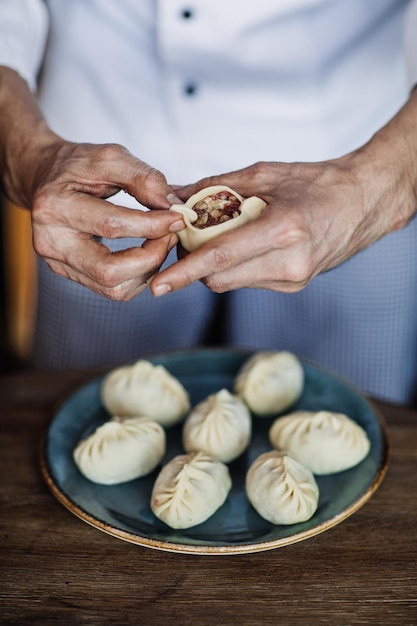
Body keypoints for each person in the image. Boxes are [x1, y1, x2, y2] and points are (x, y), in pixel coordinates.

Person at [0, 0, 416, 404]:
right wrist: (26, 151)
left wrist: (383, 182)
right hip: (93, 181)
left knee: (351, 413)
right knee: (87, 407)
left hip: (353, 170)